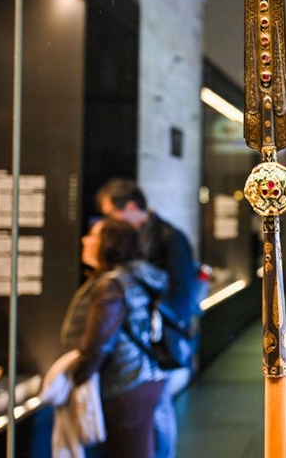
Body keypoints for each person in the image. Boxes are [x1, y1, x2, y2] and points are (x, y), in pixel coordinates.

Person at [96, 178, 199, 458]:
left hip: (158, 341)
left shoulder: (169, 237)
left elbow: (181, 294)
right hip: (144, 340)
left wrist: (147, 312)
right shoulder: (145, 236)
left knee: (158, 409)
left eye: (110, 214)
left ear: (130, 207)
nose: (107, 221)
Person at [61, 218, 167, 458]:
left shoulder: (111, 284)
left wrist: (75, 377)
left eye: (94, 236)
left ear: (110, 244)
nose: (85, 240)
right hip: (141, 378)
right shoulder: (133, 275)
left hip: (125, 383)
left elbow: (99, 343)